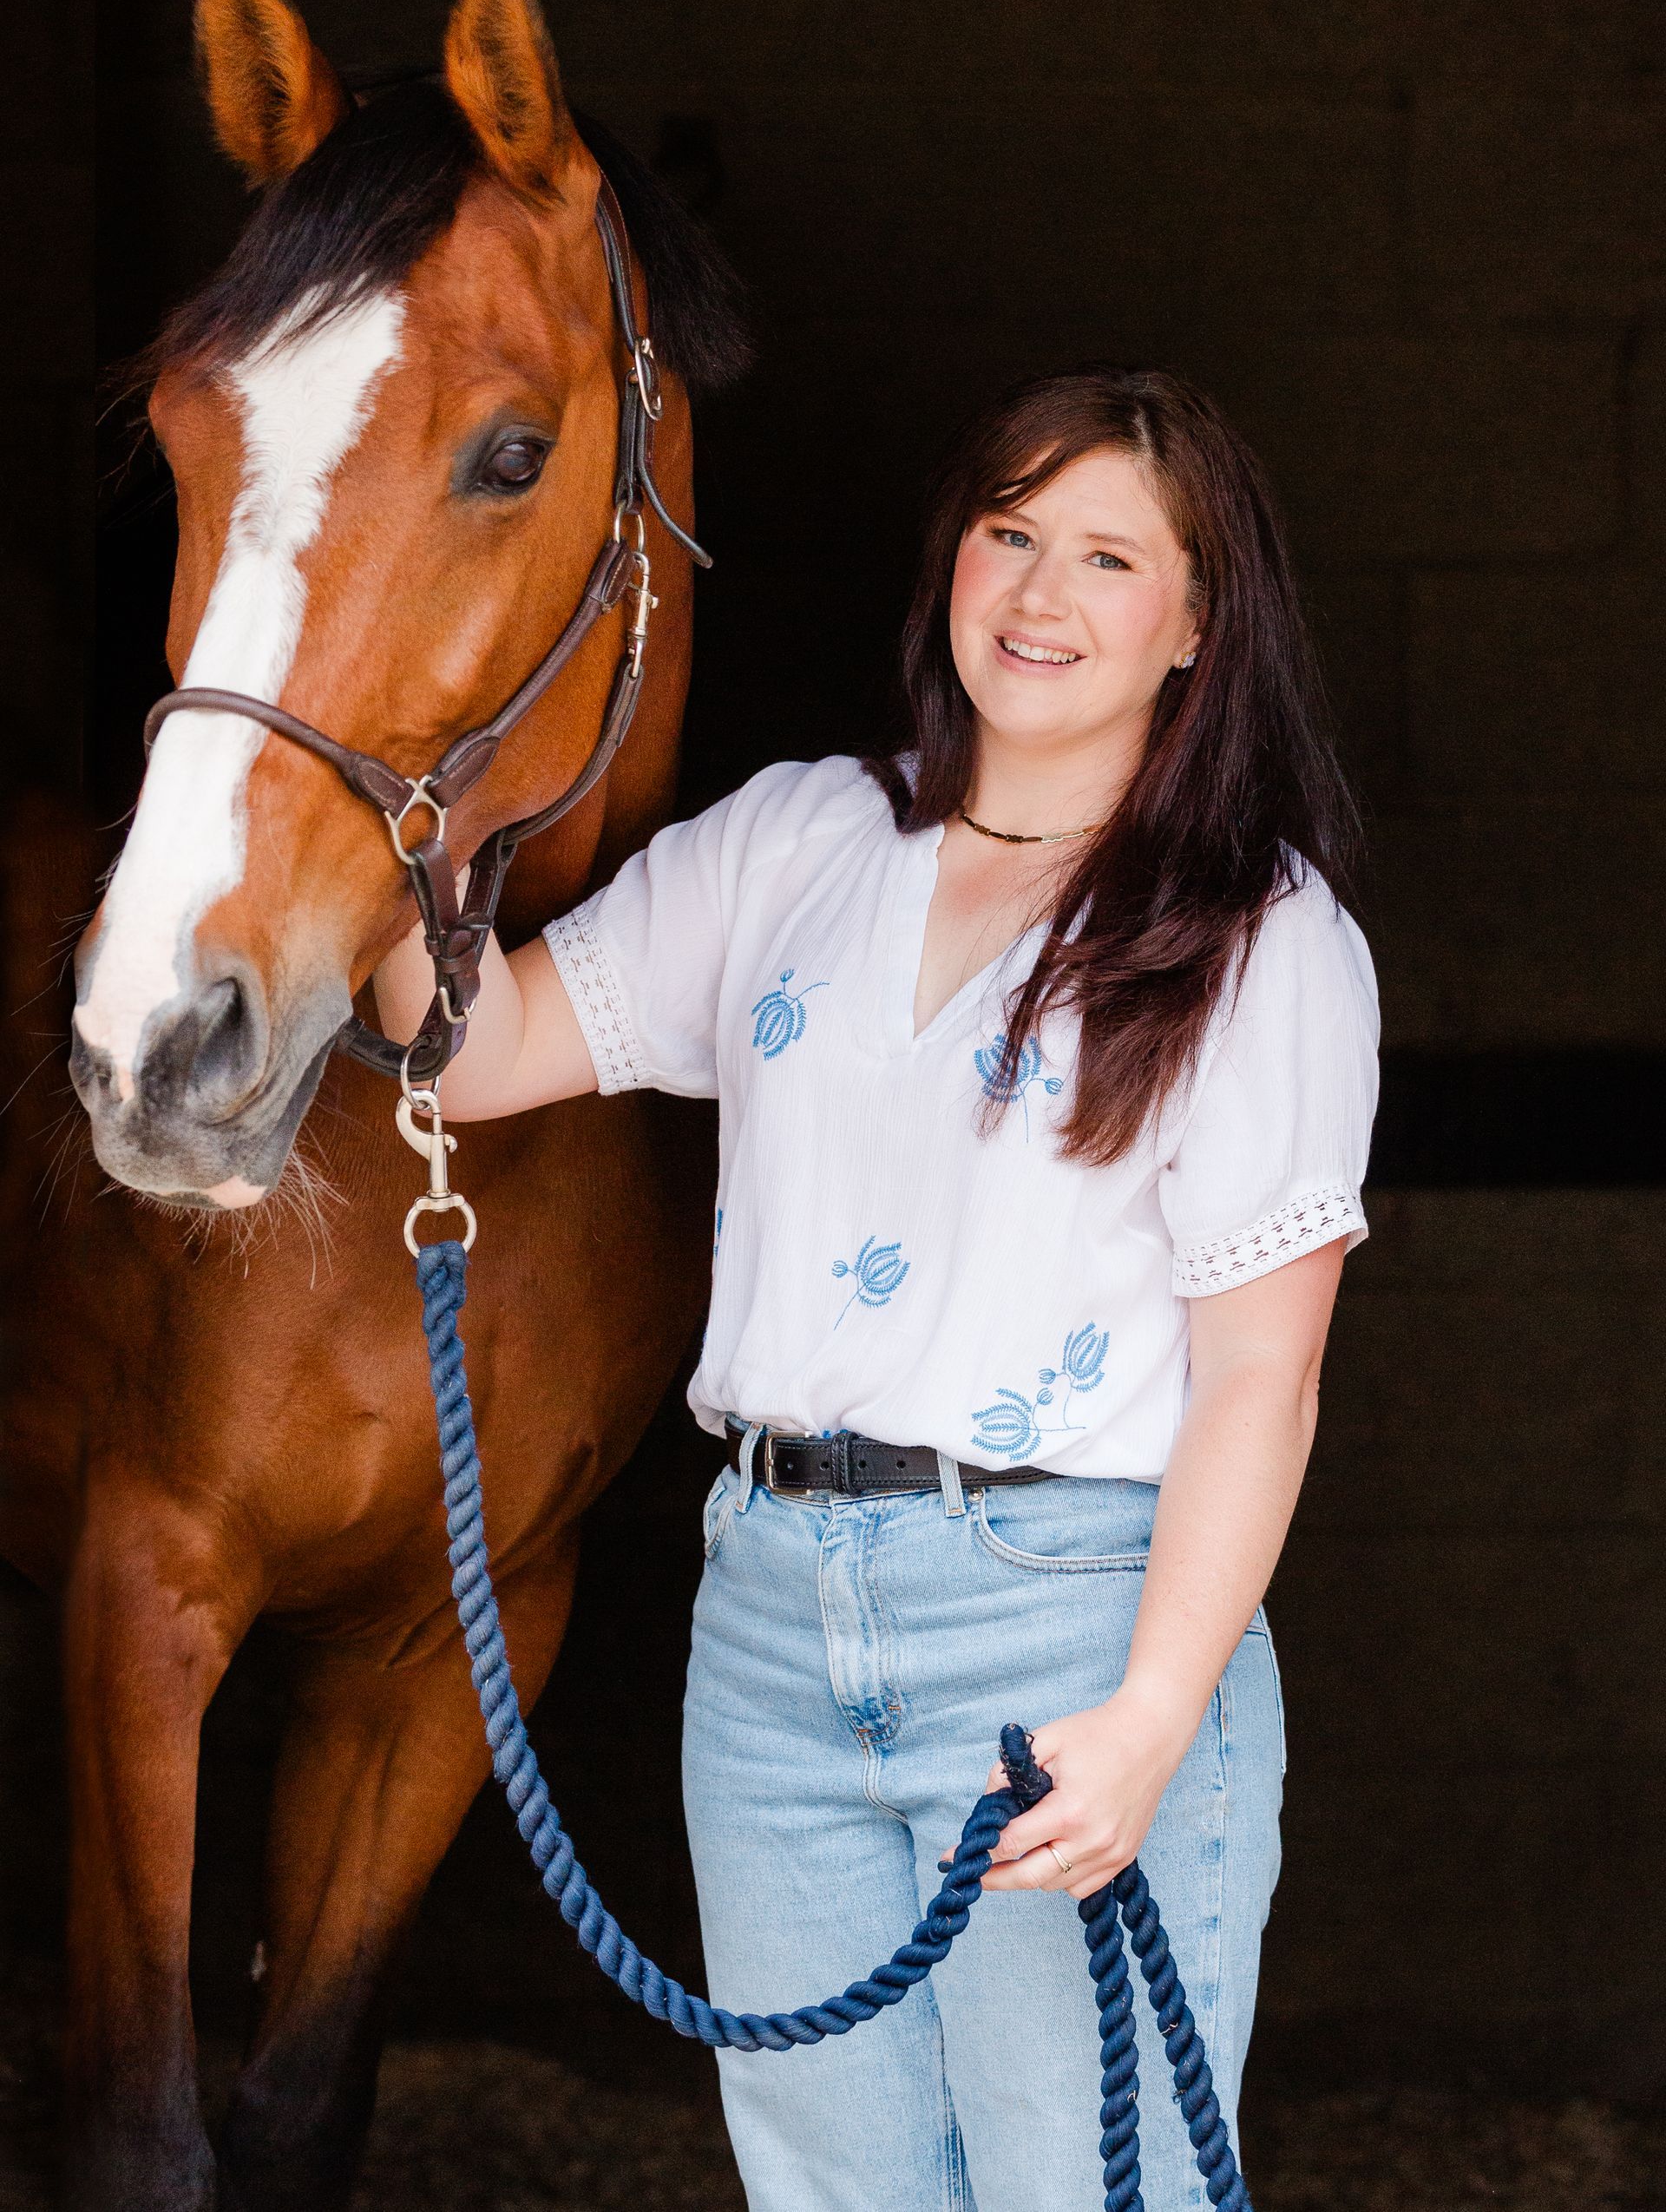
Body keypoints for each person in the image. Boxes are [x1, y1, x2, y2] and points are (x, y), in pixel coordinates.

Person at [373, 364, 1380, 2210]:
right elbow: (480, 1045)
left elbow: (1263, 1376)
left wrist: (1154, 1714)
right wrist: (389, 817)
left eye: (1103, 556)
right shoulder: (804, 840)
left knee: (1087, 2186)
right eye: (1008, 535)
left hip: (1066, 1621)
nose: (1037, 593)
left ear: (1195, 627)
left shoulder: (1258, 931)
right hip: (768, 1620)